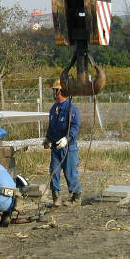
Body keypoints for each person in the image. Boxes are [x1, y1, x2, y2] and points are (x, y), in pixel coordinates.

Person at [43, 79, 82, 207]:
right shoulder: (54, 108)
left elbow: (75, 127)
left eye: (55, 90)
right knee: (54, 171)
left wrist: (67, 139)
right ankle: (56, 198)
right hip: (55, 147)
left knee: (70, 172)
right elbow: (52, 126)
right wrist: (48, 138)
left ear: (60, 91)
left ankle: (76, 198)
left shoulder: (72, 109)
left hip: (68, 148)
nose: (53, 92)